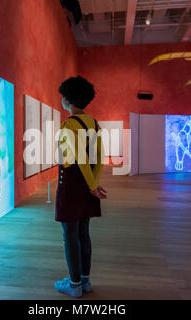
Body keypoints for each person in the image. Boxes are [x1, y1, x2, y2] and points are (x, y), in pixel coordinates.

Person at [54, 76, 107, 298]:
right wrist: (94, 182)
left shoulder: (69, 125)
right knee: (84, 233)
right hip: (87, 184)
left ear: (67, 100)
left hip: (72, 184)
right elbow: (98, 158)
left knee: (70, 235)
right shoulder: (94, 123)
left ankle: (74, 285)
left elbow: (80, 159)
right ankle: (84, 281)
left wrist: (92, 185)